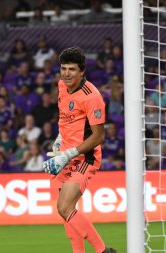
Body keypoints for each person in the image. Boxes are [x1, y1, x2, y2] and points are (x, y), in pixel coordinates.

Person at [42, 47, 116, 253]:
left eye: (72, 69)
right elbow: (65, 117)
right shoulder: (61, 86)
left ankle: (103, 251)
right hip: (64, 155)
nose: (66, 73)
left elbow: (99, 136)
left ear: (82, 71)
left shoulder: (92, 97)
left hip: (85, 157)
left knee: (64, 207)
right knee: (67, 212)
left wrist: (68, 154)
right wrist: (59, 139)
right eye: (63, 68)